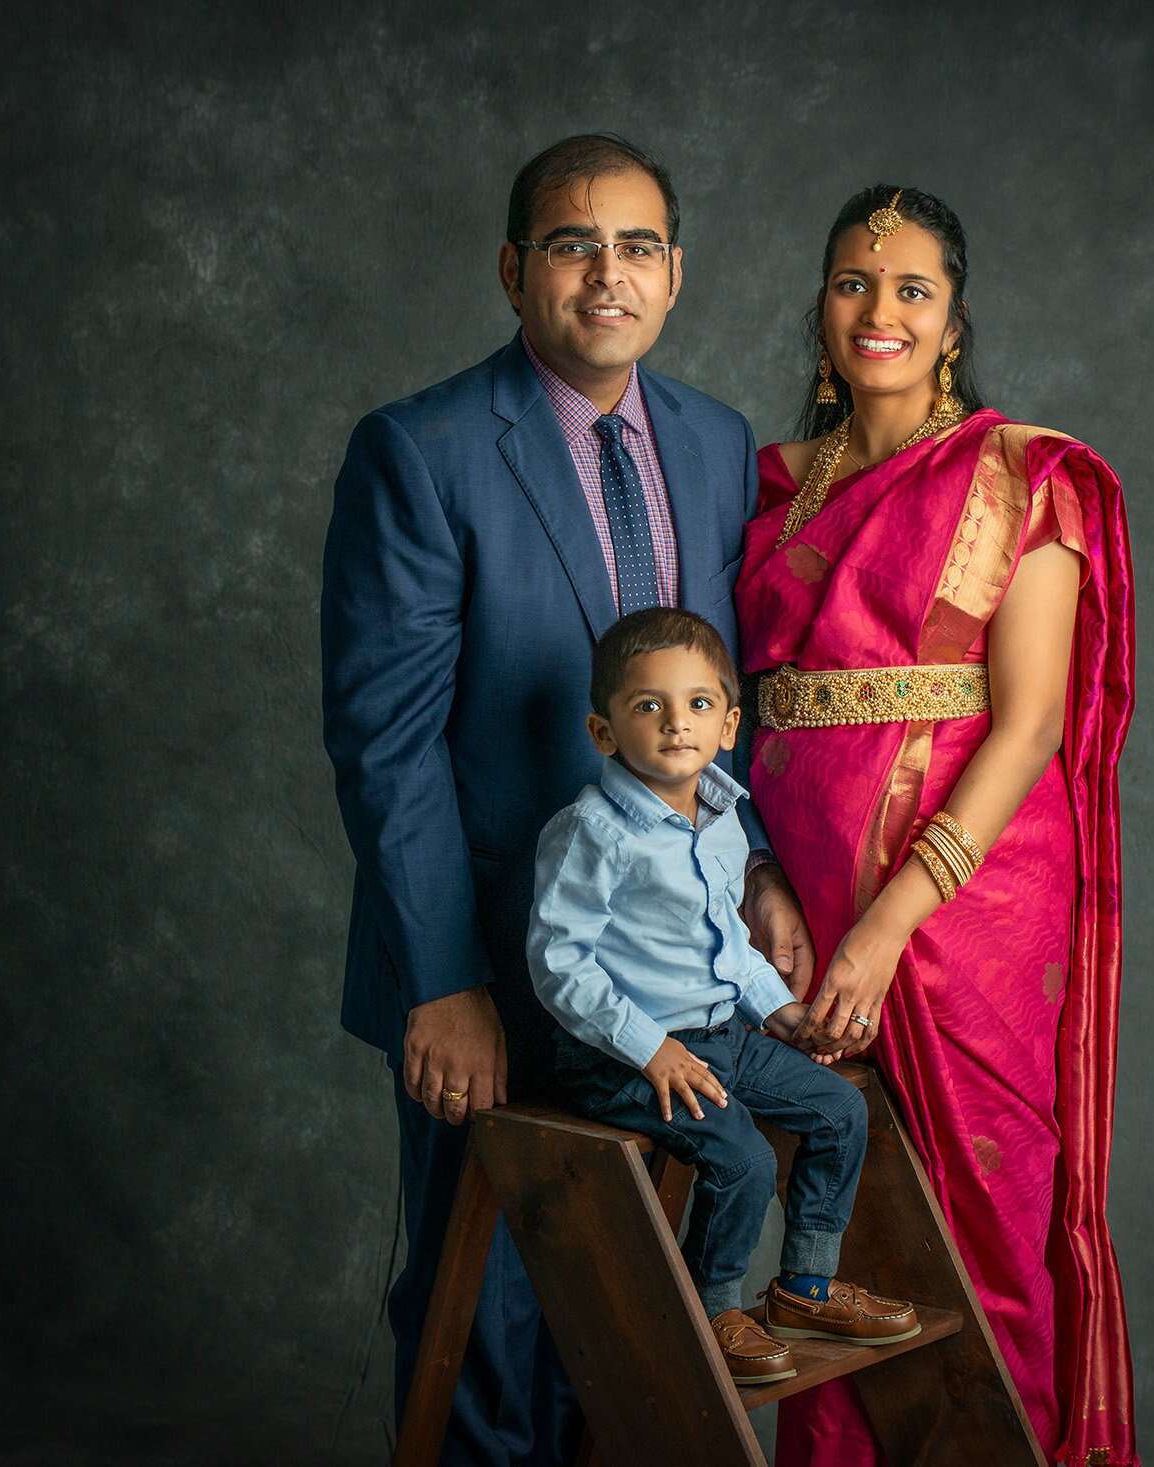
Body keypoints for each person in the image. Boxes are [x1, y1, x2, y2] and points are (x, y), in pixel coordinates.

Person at [320, 136, 814, 1466]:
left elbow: (713, 695)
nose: (610, 273)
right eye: (573, 243)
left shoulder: (714, 441)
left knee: (637, 1315)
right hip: (485, 962)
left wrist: (753, 866)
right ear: (512, 269)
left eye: (639, 245)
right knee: (488, 1314)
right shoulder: (419, 451)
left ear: (676, 274)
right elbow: (388, 739)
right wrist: (441, 978)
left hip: (658, 968)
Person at [736, 186, 1140, 1466]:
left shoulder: (1024, 477)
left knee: (981, 1230)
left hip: (963, 914)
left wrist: (883, 929)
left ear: (954, 322)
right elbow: (733, 712)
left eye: (911, 288)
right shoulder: (772, 487)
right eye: (854, 282)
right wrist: (765, 883)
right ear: (820, 310)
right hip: (793, 902)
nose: (880, 310)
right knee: (834, 1235)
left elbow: (1024, 726)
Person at [527, 608, 920, 1384]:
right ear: (604, 733)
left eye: (699, 704)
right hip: (624, 1056)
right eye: (649, 706)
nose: (677, 723)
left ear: (730, 723)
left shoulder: (724, 819)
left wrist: (783, 1013)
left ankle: (803, 1284)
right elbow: (559, 964)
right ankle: (709, 1311)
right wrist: (650, 1048)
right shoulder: (593, 832)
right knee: (739, 1158)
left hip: (721, 1037)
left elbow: (729, 946)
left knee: (841, 1109)